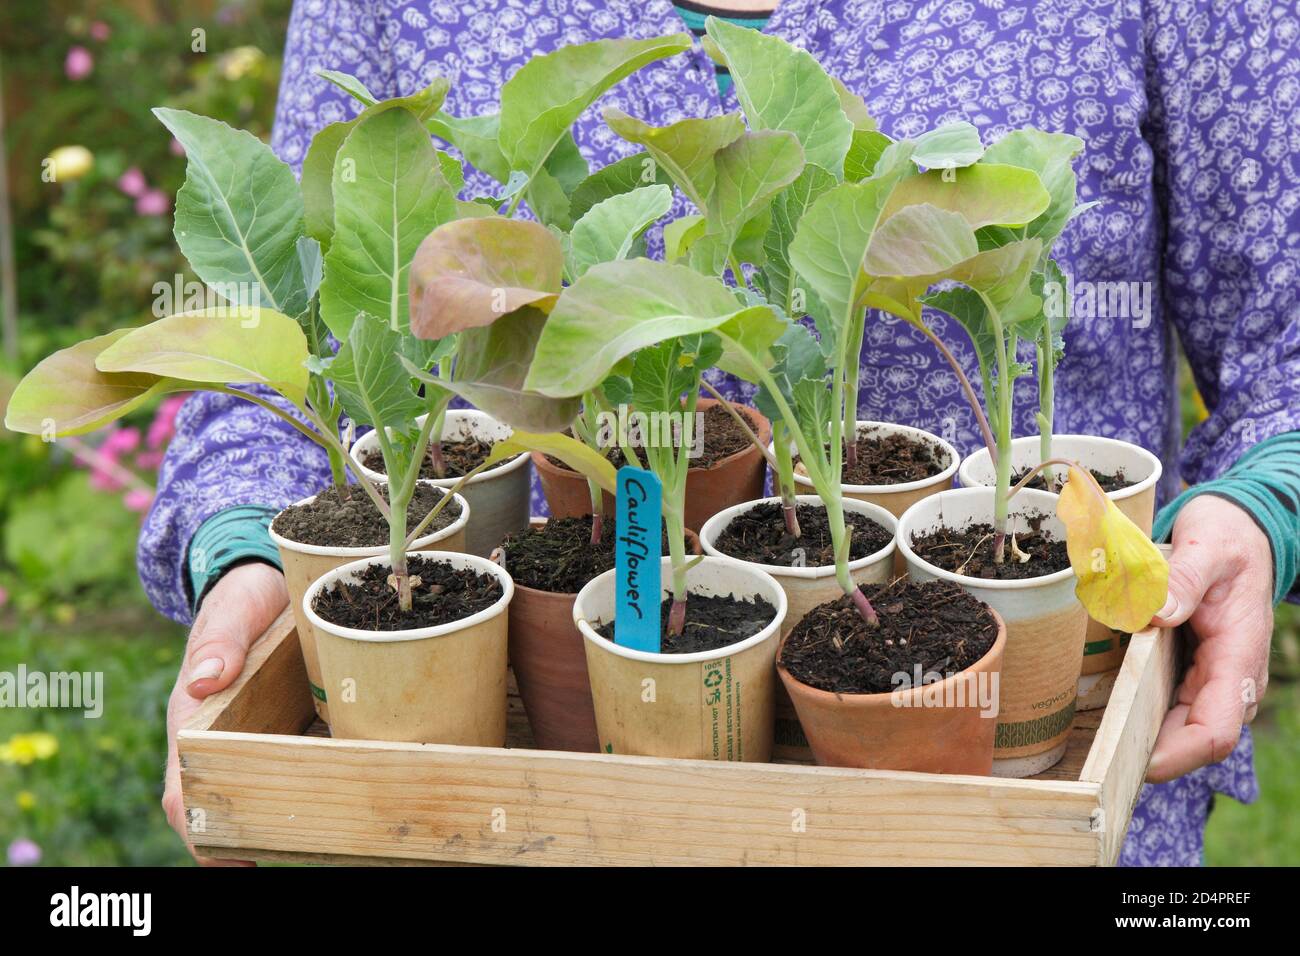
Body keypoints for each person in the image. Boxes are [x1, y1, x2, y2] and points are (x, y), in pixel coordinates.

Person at [150, 0, 1299, 866]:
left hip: (1028, 821)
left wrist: (1262, 509)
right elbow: (274, 367)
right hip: (514, 821)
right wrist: (248, 548)